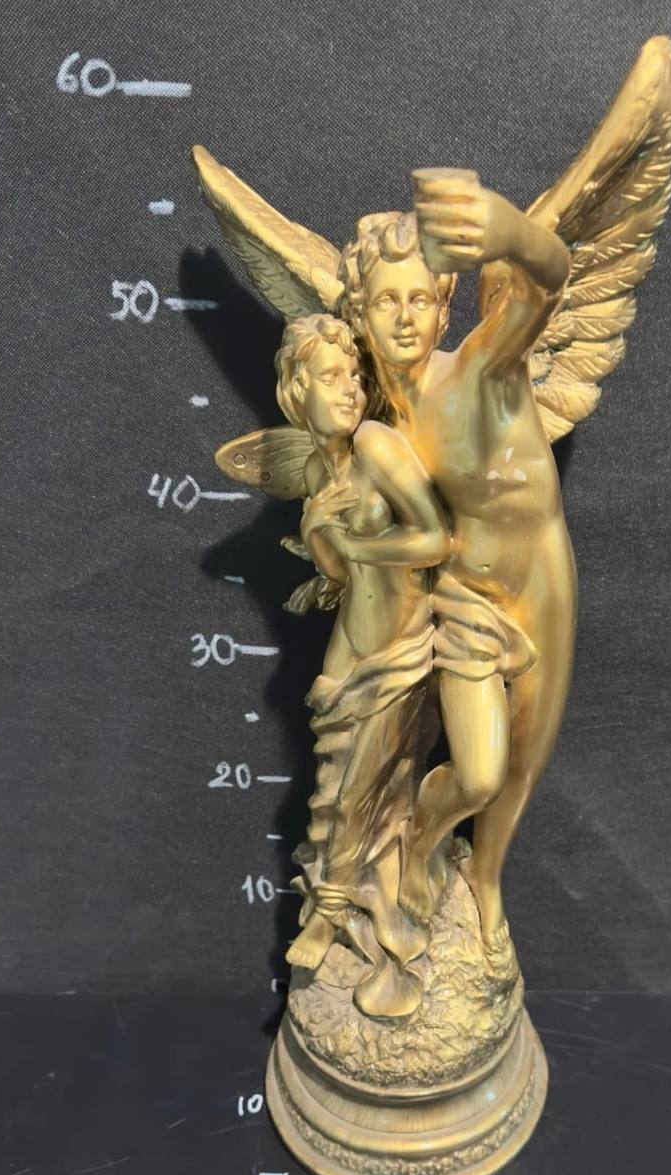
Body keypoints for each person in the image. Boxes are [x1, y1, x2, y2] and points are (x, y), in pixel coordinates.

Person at [337, 184, 577, 949]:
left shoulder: (482, 367)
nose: (405, 318)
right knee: (478, 774)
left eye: (420, 299)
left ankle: (488, 877)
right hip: (467, 593)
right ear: (360, 314)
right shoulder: (377, 424)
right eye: (386, 301)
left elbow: (546, 283)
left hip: (542, 576)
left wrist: (514, 234)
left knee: (527, 760)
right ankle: (421, 836)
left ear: (445, 310)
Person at [277, 313, 452, 1017]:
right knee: (333, 789)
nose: (351, 388)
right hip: (349, 644)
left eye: (354, 374)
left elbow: (436, 539)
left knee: (357, 794)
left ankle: (326, 918)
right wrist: (315, 525)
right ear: (298, 391)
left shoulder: (378, 445)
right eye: (332, 377)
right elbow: (334, 573)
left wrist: (361, 547)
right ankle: (348, 894)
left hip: (401, 651)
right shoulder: (317, 469)